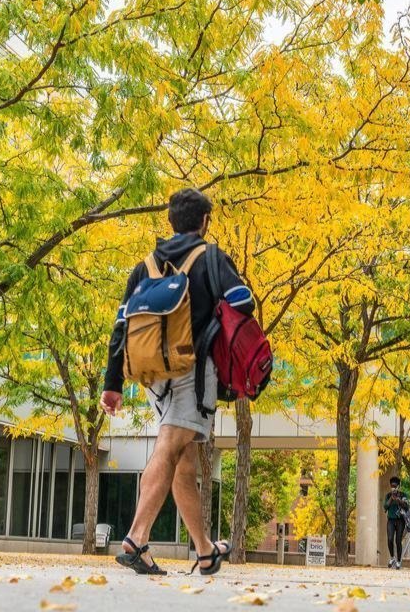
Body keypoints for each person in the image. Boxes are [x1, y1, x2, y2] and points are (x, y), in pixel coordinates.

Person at [100, 189, 255, 576]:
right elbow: (242, 300)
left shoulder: (146, 265)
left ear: (171, 221)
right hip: (192, 369)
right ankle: (136, 538)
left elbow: (121, 325)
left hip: (152, 376)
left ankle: (204, 551)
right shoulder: (210, 257)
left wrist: (113, 382)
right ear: (204, 222)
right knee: (170, 447)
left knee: (185, 464)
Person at [383, 476, 410, 569]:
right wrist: (391, 498)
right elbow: (385, 507)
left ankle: (398, 561)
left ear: (398, 486)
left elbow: (406, 507)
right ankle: (392, 557)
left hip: (400, 520)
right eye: (392, 486)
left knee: (398, 541)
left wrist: (398, 499)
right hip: (390, 519)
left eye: (395, 486)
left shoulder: (403, 495)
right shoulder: (388, 495)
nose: (393, 488)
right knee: (390, 539)